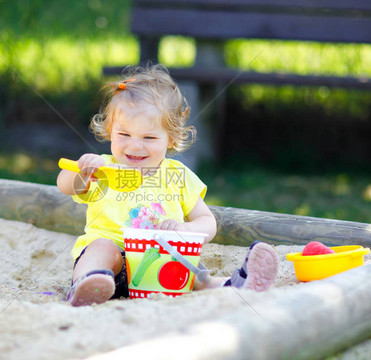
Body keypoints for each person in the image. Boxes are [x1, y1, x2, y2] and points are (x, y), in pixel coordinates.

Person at [57, 64, 278, 307]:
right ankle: (87, 284)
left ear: (171, 138)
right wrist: (83, 172)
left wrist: (185, 229)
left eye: (149, 137)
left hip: (162, 265)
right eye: (124, 135)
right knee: (102, 247)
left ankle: (237, 285)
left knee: (194, 270)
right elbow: (65, 185)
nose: (135, 146)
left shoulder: (178, 176)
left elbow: (207, 222)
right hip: (113, 267)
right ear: (110, 131)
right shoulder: (103, 169)